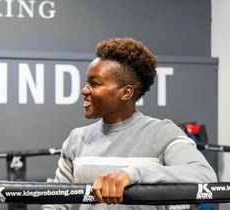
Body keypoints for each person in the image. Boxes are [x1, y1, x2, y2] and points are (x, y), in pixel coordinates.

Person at [42, 37, 217, 210]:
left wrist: (133, 174)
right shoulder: (77, 139)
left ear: (126, 92)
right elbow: (56, 203)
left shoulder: (163, 133)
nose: (84, 90)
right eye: (87, 82)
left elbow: (205, 176)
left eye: (94, 84)